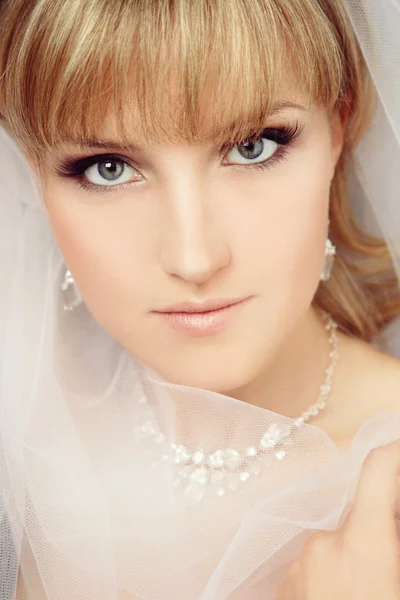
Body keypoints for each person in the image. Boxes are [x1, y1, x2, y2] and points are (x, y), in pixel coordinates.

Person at [0, 0, 400, 598]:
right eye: (107, 168)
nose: (194, 259)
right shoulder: (24, 436)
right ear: (29, 173)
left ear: (339, 129)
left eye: (253, 147)